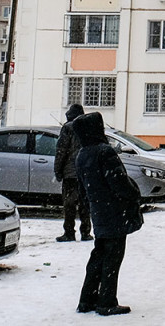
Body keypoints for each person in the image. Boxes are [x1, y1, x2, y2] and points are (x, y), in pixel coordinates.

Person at [74, 111, 143, 316]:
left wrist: (91, 207)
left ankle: (87, 299)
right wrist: (134, 194)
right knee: (112, 257)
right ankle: (106, 301)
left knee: (98, 255)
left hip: (99, 211)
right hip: (115, 211)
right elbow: (119, 182)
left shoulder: (82, 154)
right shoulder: (105, 152)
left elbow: (82, 190)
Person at [54, 103, 92, 242]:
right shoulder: (89, 127)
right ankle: (86, 232)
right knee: (85, 203)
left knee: (69, 204)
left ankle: (69, 232)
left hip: (70, 172)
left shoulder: (68, 128)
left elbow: (61, 150)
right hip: (86, 172)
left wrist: (58, 170)